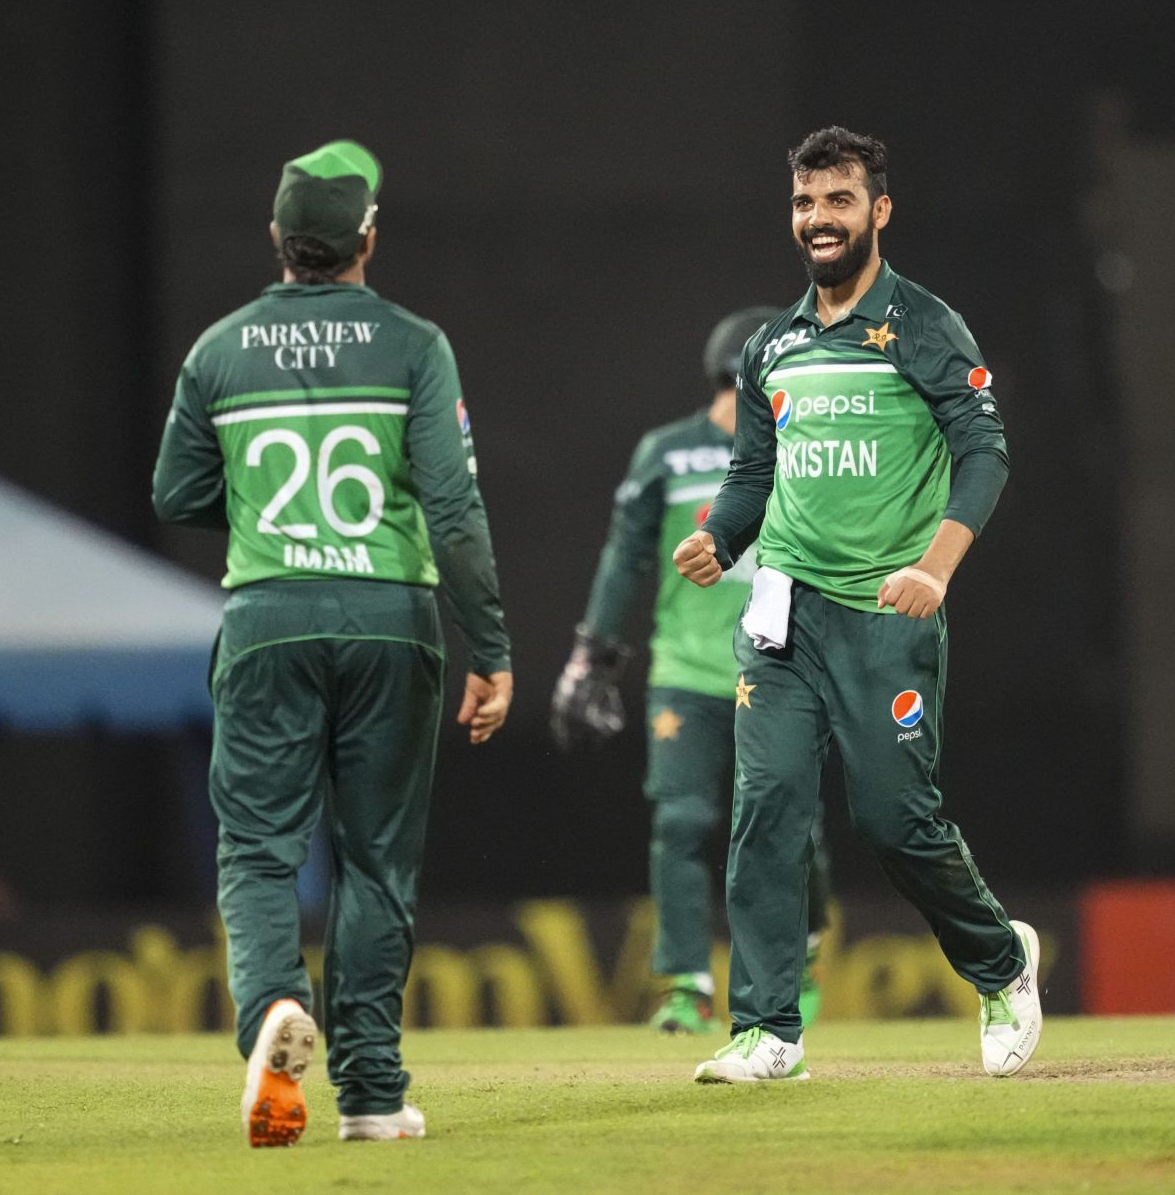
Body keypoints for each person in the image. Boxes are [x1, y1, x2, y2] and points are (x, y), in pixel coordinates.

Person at [153, 141, 512, 1145]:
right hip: (393, 620)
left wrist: (272, 505)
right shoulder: (414, 345)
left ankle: (273, 1004)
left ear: (277, 239)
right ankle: (370, 1092)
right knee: (376, 864)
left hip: (268, 618)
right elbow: (453, 505)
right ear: (367, 236)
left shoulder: (219, 350)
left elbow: (174, 491)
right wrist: (492, 646)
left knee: (261, 851)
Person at [672, 126, 1041, 1083]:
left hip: (888, 612)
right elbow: (755, 470)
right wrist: (720, 533)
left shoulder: (923, 324)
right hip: (784, 613)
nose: (819, 220)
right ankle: (767, 1030)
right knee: (768, 809)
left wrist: (937, 568)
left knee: (892, 818)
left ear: (879, 211)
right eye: (805, 202)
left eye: (838, 201)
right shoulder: (772, 346)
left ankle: (1003, 964)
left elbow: (986, 453)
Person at [550, 306, 834, 1034]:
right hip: (686, 670)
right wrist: (594, 651)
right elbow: (625, 553)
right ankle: (687, 987)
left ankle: (796, 957)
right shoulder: (669, 453)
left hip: (780, 665)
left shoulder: (809, 446)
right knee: (680, 821)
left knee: (790, 825)